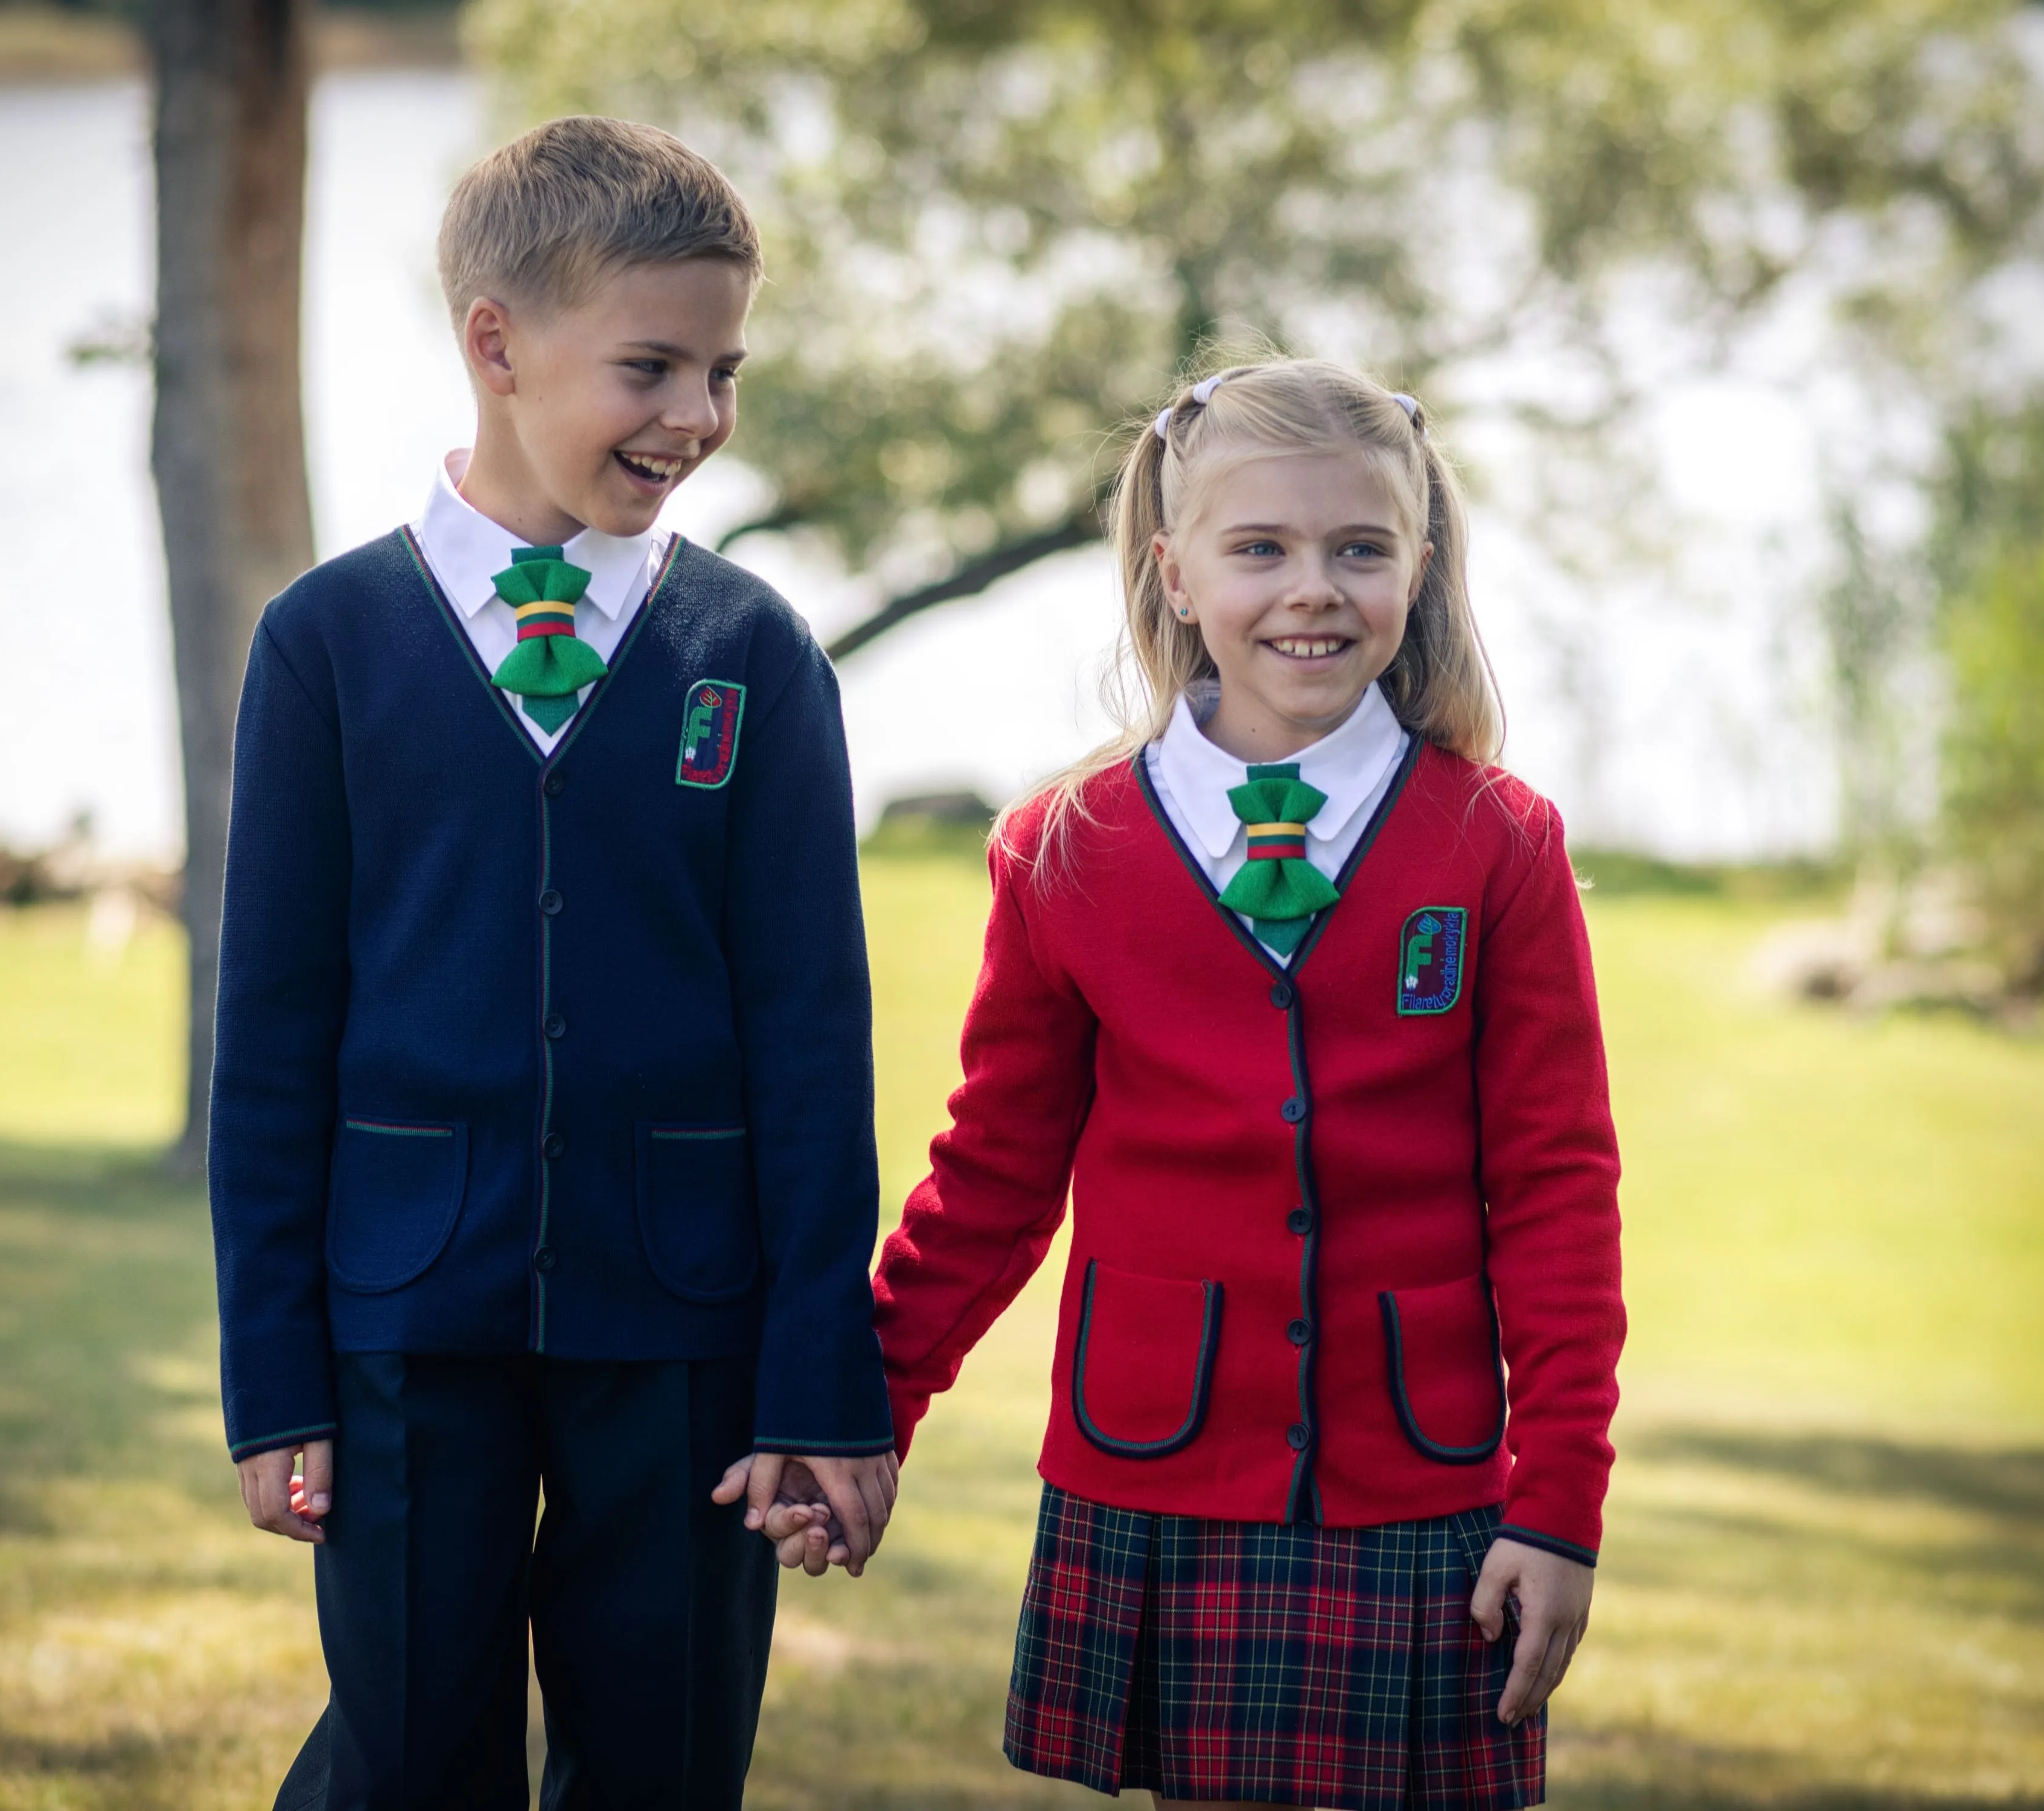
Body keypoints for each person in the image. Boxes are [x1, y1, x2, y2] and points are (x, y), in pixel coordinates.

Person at [206, 115, 896, 1810]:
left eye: (723, 370)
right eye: (652, 367)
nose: (697, 419)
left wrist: (824, 1382)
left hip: (687, 1333)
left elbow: (813, 1041)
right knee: (411, 1753)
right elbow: (274, 1040)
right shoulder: (326, 645)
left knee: (661, 1759)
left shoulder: (757, 656)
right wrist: (272, 1377)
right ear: (496, 347)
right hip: (400, 1323)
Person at [870, 359, 1626, 1810]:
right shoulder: (1059, 849)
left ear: (1420, 563)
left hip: (1418, 1479)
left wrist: (1560, 1506)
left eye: (1359, 549)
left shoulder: (1496, 844)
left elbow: (1553, 1191)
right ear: (1172, 570)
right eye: (1259, 548)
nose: (1313, 590)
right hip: (1157, 1468)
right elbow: (993, 1175)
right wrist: (865, 1404)